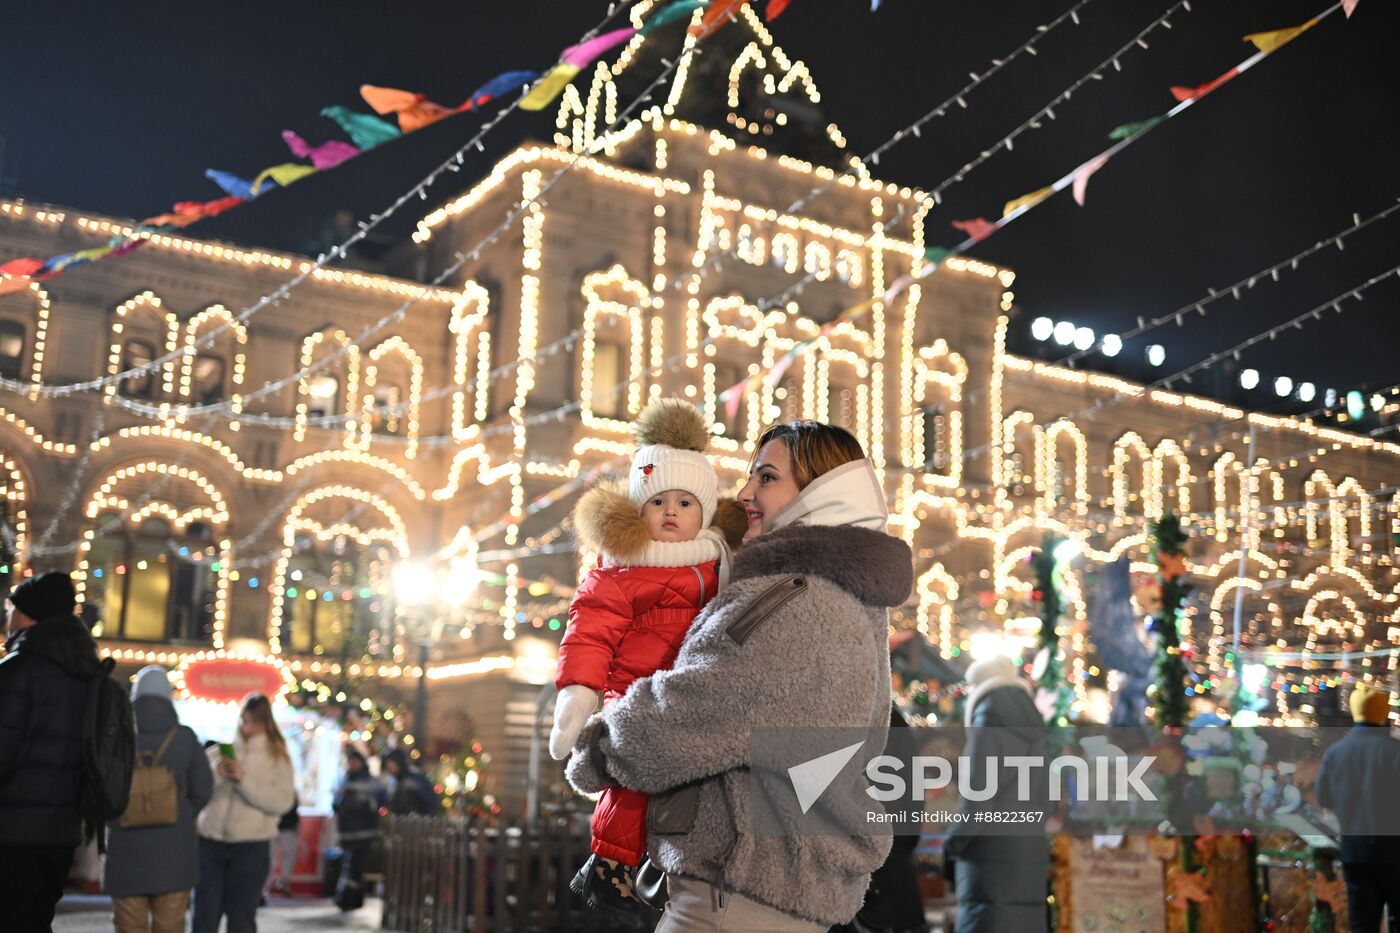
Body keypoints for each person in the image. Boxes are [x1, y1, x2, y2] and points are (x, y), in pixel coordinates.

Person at [567, 421, 913, 932]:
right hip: (773, 888)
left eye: (767, 478)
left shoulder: (794, 596)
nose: (745, 493)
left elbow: (698, 708)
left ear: (819, 494)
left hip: (740, 893)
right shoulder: (841, 596)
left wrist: (596, 744)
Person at [549, 397, 742, 920]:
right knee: (633, 784)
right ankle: (612, 867)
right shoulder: (619, 569)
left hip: (698, 700)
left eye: (684, 502)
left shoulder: (721, 562)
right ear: (640, 510)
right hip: (636, 695)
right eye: (658, 502)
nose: (671, 512)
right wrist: (577, 692)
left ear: (704, 509)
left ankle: (660, 878)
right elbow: (590, 631)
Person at [0, 571, 102, 931]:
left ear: (28, 615)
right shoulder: (87, 672)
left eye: (11, 608)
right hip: (61, 833)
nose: (7, 615)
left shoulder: (18, 670)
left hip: (11, 833)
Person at [104, 665, 214, 933]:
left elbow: (100, 787)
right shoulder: (185, 738)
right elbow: (204, 788)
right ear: (168, 698)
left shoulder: (116, 736)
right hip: (175, 853)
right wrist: (181, 811)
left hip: (125, 851)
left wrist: (116, 816)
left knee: (129, 925)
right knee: (170, 925)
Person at [943, 655, 1049, 933]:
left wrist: (953, 844)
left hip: (989, 858)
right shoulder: (1033, 724)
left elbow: (978, 801)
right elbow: (1046, 799)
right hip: (1028, 851)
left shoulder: (988, 721)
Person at [193, 692, 296, 933]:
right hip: (210, 843)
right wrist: (218, 774)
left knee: (241, 919)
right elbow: (199, 791)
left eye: (254, 722)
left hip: (251, 847)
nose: (247, 727)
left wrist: (243, 780)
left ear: (266, 724)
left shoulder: (278, 759)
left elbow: (281, 802)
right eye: (244, 720)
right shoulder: (220, 751)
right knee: (204, 916)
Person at [1315, 683, 1400, 933]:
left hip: (1355, 851)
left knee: (1362, 922)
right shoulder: (1395, 751)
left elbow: (1324, 798)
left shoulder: (1335, 752)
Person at [331, 749, 384, 911]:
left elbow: (378, 803)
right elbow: (337, 804)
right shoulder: (344, 781)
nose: (351, 764)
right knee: (349, 866)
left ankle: (350, 899)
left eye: (354, 761)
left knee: (355, 867)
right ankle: (348, 898)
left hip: (363, 833)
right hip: (347, 833)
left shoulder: (370, 782)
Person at [381, 747, 437, 816]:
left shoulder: (415, 779)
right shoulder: (394, 782)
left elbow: (430, 802)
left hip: (417, 822)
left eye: (391, 763)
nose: (389, 766)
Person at [265, 796, 300, 897]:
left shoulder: (290, 790)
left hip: (286, 826)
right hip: (272, 826)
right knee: (268, 857)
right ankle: (265, 886)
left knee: (288, 856)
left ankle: (283, 882)